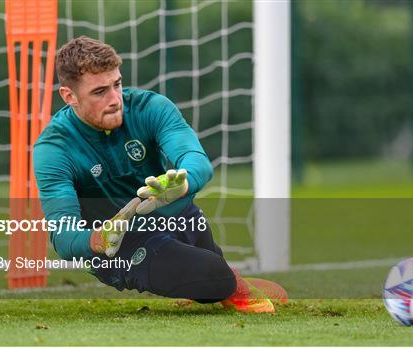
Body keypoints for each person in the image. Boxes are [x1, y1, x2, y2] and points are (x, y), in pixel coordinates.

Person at [33, 36, 286, 312]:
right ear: (69, 96)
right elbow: (62, 234)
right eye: (99, 92)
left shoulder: (150, 107)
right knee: (216, 276)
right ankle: (223, 281)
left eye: (117, 84)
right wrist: (97, 238)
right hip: (123, 247)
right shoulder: (53, 149)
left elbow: (196, 159)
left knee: (207, 271)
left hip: (179, 219)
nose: (115, 99)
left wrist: (183, 182)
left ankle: (205, 279)